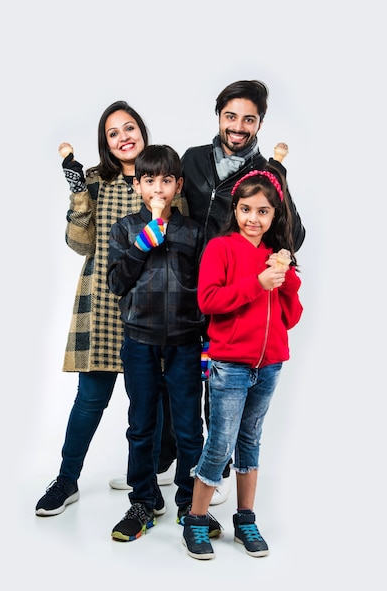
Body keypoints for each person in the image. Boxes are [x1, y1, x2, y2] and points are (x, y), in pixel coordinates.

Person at [35, 102, 176, 517]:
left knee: (153, 403)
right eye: (113, 133)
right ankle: (67, 478)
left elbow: (182, 241)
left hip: (154, 308)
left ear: (142, 131)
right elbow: (80, 244)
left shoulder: (165, 177)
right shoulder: (95, 182)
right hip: (102, 304)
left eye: (129, 127)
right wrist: (79, 193)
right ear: (106, 143)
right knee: (89, 400)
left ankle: (148, 481)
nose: (123, 137)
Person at [182, 79, 305, 505]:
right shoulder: (194, 160)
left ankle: (215, 474)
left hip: (238, 303)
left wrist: (279, 183)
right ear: (219, 116)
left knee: (225, 403)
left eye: (248, 119)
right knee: (177, 382)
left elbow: (293, 233)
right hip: (192, 291)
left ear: (259, 123)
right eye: (230, 116)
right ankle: (177, 464)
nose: (237, 126)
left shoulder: (264, 175)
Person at [181, 166, 303, 560]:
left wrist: (287, 282)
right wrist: (257, 284)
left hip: (269, 365)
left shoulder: (274, 255)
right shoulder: (221, 248)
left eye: (263, 211)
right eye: (246, 209)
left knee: (251, 443)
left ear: (274, 216)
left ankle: (245, 519)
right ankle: (196, 520)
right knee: (219, 444)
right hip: (230, 364)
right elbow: (208, 301)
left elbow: (290, 317)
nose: (254, 218)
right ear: (235, 210)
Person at [107, 145, 221, 542]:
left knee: (190, 428)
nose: (159, 188)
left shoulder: (193, 232)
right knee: (141, 425)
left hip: (186, 343)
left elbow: (206, 291)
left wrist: (206, 345)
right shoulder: (125, 228)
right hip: (139, 341)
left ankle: (191, 503)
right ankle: (143, 500)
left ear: (178, 185)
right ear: (137, 185)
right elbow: (116, 284)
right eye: (150, 180)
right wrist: (141, 246)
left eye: (167, 180)